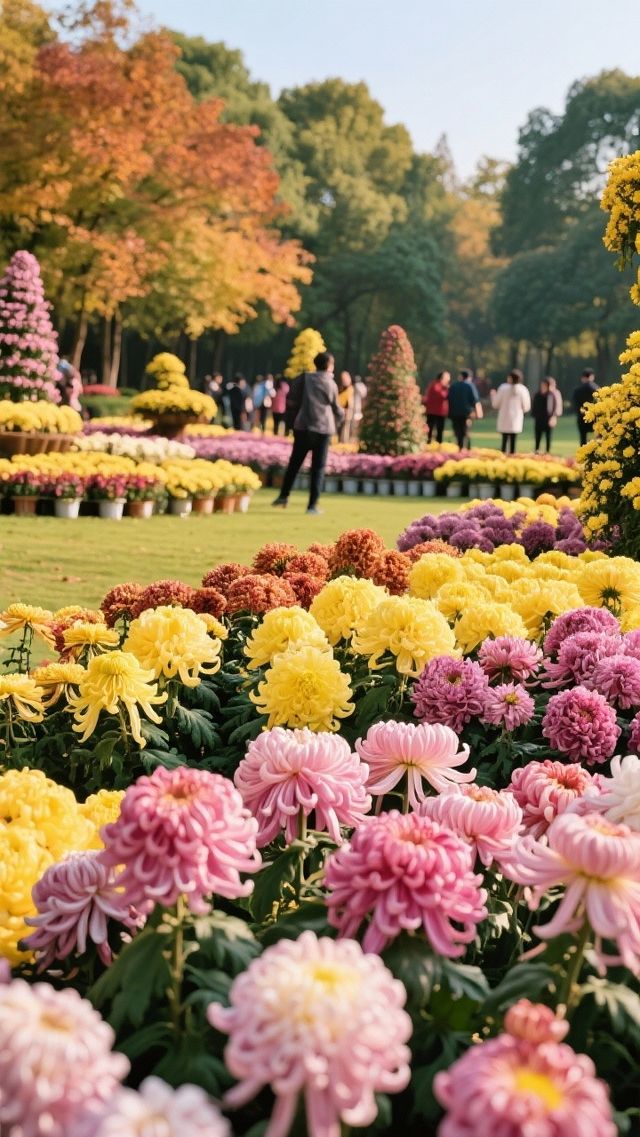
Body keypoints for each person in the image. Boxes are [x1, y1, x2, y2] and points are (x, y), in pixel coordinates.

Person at [273, 351, 344, 515]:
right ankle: (312, 506)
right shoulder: (330, 383)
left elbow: (291, 398)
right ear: (328, 365)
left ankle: (283, 496)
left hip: (302, 426)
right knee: (318, 468)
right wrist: (340, 418)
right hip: (323, 429)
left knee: (294, 464)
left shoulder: (303, 378)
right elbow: (335, 407)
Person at [491, 369, 531, 454]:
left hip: (504, 417)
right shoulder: (523, 390)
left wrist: (493, 396)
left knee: (504, 441)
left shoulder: (503, 388)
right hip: (516, 418)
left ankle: (503, 457)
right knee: (513, 440)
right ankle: (512, 456)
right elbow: (526, 407)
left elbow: (496, 404)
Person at [448, 369, 483, 449]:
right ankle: (466, 449)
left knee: (457, 432)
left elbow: (448, 399)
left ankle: (459, 447)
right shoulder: (470, 385)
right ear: (469, 377)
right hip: (466, 413)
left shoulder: (453, 386)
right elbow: (475, 400)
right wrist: (479, 413)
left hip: (454, 413)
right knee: (466, 432)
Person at [532, 376, 563, 453]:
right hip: (538, 419)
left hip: (548, 419)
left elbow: (555, 407)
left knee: (548, 437)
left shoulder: (552, 395)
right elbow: (534, 406)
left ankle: (547, 452)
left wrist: (553, 417)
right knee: (537, 436)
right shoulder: (538, 394)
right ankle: (537, 451)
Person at [573, 368, 599, 447]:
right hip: (595, 418)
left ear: (582, 378)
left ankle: (583, 455)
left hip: (582, 417)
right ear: (592, 377)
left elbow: (575, 404)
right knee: (597, 439)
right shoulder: (597, 389)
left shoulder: (577, 390)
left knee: (583, 438)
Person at [422, 370, 450, 443]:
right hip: (435, 411)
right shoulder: (436, 385)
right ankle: (432, 444)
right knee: (433, 429)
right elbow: (441, 395)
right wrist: (447, 389)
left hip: (437, 411)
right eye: (447, 377)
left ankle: (434, 444)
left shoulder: (436, 384)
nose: (449, 379)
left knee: (437, 430)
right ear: (442, 378)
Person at [336, 371, 355, 443]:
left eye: (346, 379)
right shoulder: (339, 388)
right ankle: (340, 441)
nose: (344, 380)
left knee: (345, 428)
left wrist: (348, 410)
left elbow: (350, 402)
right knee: (339, 427)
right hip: (339, 410)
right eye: (343, 379)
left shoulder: (350, 389)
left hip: (346, 411)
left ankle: (344, 442)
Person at [352, 374, 368, 440]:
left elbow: (363, 395)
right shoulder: (362, 386)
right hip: (358, 407)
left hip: (357, 407)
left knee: (356, 423)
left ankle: (355, 437)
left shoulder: (358, 386)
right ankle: (355, 436)